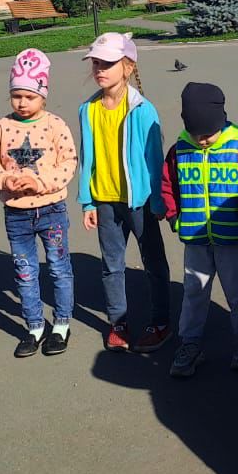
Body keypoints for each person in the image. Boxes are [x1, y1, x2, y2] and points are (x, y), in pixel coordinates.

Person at [77, 32, 172, 353]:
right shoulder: (88, 109)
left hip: (140, 202)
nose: (100, 69)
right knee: (111, 265)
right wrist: (87, 201)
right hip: (105, 200)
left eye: (108, 63)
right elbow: (86, 158)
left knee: (153, 263)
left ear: (128, 67)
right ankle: (119, 322)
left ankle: (161, 321)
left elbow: (155, 159)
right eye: (96, 63)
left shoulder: (143, 110)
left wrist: (158, 200)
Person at [159, 82, 238, 377]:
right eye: (196, 134)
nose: (202, 140)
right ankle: (190, 343)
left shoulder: (237, 148)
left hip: (230, 237)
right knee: (194, 291)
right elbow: (168, 185)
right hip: (195, 239)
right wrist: (173, 217)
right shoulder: (178, 151)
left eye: (208, 134)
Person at [0, 48, 78, 357]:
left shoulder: (55, 125)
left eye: (30, 96)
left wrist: (39, 182)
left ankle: (61, 324)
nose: (22, 103)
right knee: (25, 272)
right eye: (16, 96)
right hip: (17, 214)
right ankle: (34, 326)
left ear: (43, 97)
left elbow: (68, 163)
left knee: (59, 268)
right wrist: (4, 180)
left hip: (51, 210)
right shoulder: (1, 127)